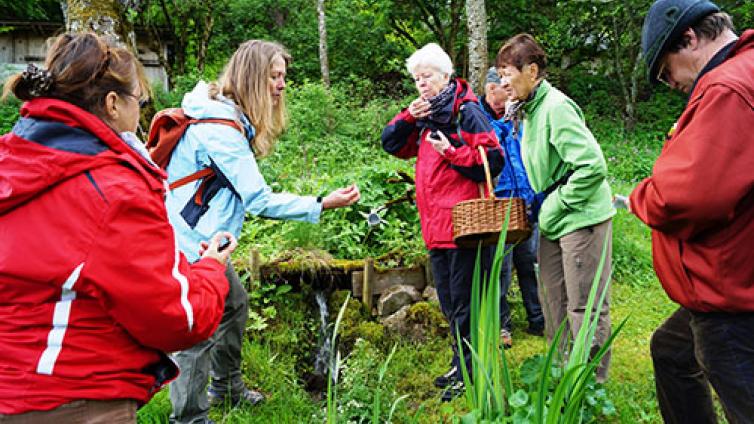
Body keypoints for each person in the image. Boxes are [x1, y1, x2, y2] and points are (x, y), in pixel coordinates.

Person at [0, 33, 234, 423]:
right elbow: (175, 319)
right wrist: (211, 269)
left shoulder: (13, 163)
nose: (141, 114)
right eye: (139, 102)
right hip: (73, 398)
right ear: (112, 104)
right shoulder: (113, 192)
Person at [164, 40, 360, 424]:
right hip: (190, 245)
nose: (281, 84)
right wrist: (321, 203)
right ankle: (188, 417)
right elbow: (258, 199)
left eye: (283, 76)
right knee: (197, 330)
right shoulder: (221, 129)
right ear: (252, 77)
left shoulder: (225, 117)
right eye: (274, 76)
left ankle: (226, 388)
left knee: (233, 305)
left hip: (205, 241)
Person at [631, 1, 754, 422]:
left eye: (666, 70)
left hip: (727, 293)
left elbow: (685, 198)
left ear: (689, 38)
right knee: (670, 351)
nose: (670, 83)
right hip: (736, 272)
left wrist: (640, 196)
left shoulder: (726, 88)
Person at [381, 43, 503, 401]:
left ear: (446, 76)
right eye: (417, 78)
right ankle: (460, 363)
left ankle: (470, 372)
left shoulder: (467, 112)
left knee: (465, 303)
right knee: (450, 303)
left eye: (427, 76)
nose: (421, 84)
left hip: (464, 225)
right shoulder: (425, 117)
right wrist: (408, 115)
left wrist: (449, 153)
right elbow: (389, 143)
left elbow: (492, 160)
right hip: (436, 228)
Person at [496, 34, 615, 382]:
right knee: (553, 303)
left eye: (507, 73)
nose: (502, 83)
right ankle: (563, 374)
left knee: (584, 305)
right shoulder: (529, 109)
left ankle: (590, 385)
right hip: (553, 219)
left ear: (531, 71)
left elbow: (592, 166)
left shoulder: (556, 108)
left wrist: (555, 205)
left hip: (581, 217)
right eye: (499, 75)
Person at [478, 68, 545, 349]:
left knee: (530, 262)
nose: (509, 97)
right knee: (500, 268)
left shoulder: (521, 115)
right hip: (498, 202)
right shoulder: (478, 119)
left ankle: (539, 319)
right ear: (490, 89)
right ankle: (501, 325)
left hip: (526, 199)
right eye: (504, 91)